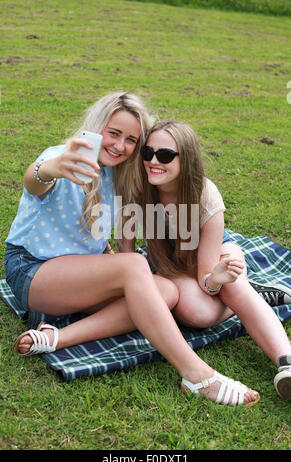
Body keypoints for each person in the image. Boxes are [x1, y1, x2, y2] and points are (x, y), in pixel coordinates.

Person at [8, 92, 260, 407]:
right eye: (113, 133)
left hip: (78, 281)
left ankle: (57, 338)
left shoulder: (122, 174)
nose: (119, 145)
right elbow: (35, 180)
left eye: (131, 140)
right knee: (133, 266)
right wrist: (51, 167)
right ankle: (196, 374)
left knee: (166, 291)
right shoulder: (64, 158)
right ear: (97, 127)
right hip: (32, 271)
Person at [134, 118, 291, 400]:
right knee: (199, 314)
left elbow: (207, 278)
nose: (153, 161)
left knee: (233, 286)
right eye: (147, 152)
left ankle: (286, 363)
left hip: (212, 262)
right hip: (174, 271)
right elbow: (126, 256)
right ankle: (256, 294)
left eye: (165, 155)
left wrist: (218, 277)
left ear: (187, 159)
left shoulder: (205, 196)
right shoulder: (140, 188)